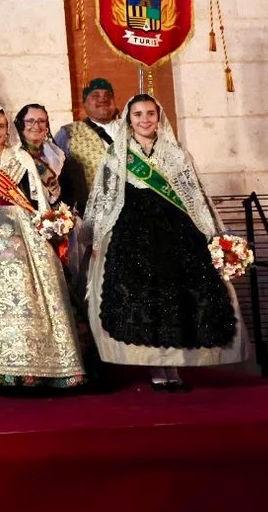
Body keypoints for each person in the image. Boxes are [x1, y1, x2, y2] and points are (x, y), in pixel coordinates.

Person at [83, 95, 244, 391]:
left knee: (176, 299)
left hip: (176, 232)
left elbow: (194, 196)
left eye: (150, 114)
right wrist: (96, 236)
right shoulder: (117, 154)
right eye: (138, 115)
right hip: (134, 232)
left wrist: (212, 234)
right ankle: (156, 366)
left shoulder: (176, 152)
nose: (145, 119)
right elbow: (105, 199)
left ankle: (175, 367)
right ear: (128, 119)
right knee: (146, 299)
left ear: (159, 117)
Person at [0, 105, 84, 388]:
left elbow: (38, 200)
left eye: (0, 126)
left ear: (7, 129)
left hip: (20, 230)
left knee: (26, 291)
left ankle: (33, 365)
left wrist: (48, 225)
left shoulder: (22, 157)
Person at [55, 78, 118, 213]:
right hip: (89, 214)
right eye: (95, 95)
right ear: (85, 103)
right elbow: (55, 175)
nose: (103, 99)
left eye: (108, 95)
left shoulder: (130, 130)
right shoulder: (69, 132)